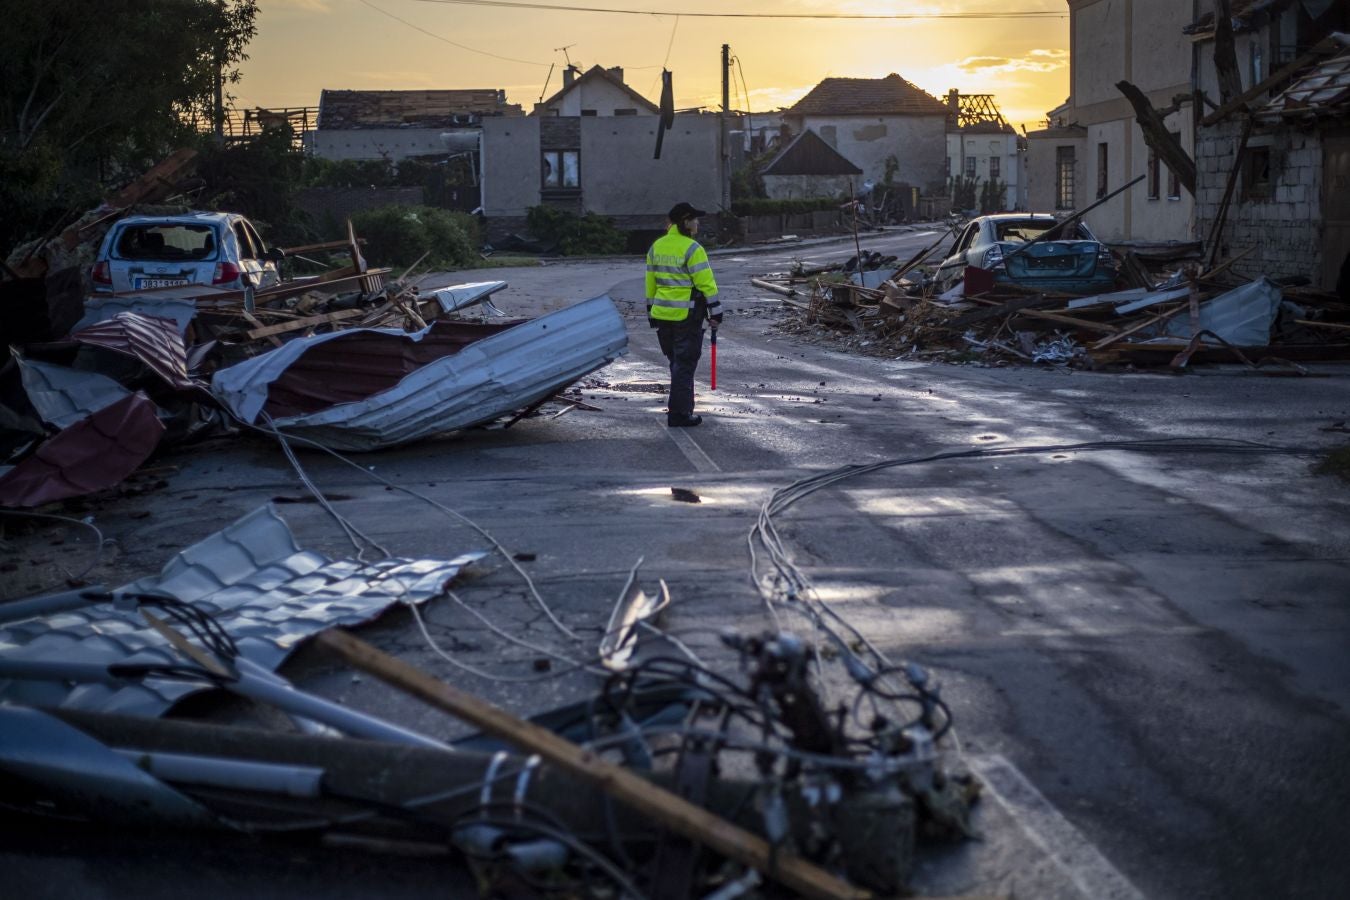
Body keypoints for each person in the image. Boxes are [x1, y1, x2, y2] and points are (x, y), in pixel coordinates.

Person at [645, 202, 722, 427]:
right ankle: (679, 414)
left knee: (677, 363)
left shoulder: (656, 247)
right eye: (695, 219)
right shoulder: (692, 249)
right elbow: (706, 284)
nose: (698, 223)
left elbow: (650, 283)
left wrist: (651, 313)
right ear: (685, 222)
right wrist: (716, 312)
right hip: (686, 316)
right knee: (685, 364)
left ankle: (683, 408)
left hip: (662, 315)